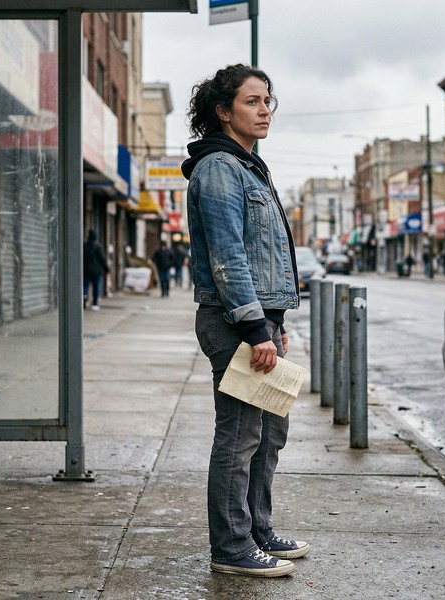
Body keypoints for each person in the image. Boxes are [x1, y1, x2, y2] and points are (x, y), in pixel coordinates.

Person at [181, 64, 306, 578]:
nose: (264, 111)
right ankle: (231, 547)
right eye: (252, 101)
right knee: (238, 437)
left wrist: (274, 321)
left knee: (270, 432)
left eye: (268, 101)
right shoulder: (219, 169)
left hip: (260, 321)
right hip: (235, 324)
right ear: (223, 111)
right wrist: (257, 329)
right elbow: (228, 257)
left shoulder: (249, 166)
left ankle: (256, 529)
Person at [82, 229, 107, 311]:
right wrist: (106, 268)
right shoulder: (98, 247)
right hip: (96, 271)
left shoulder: (84, 246)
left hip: (86, 270)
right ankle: (95, 304)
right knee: (96, 288)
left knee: (85, 286)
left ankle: (84, 296)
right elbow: (102, 259)